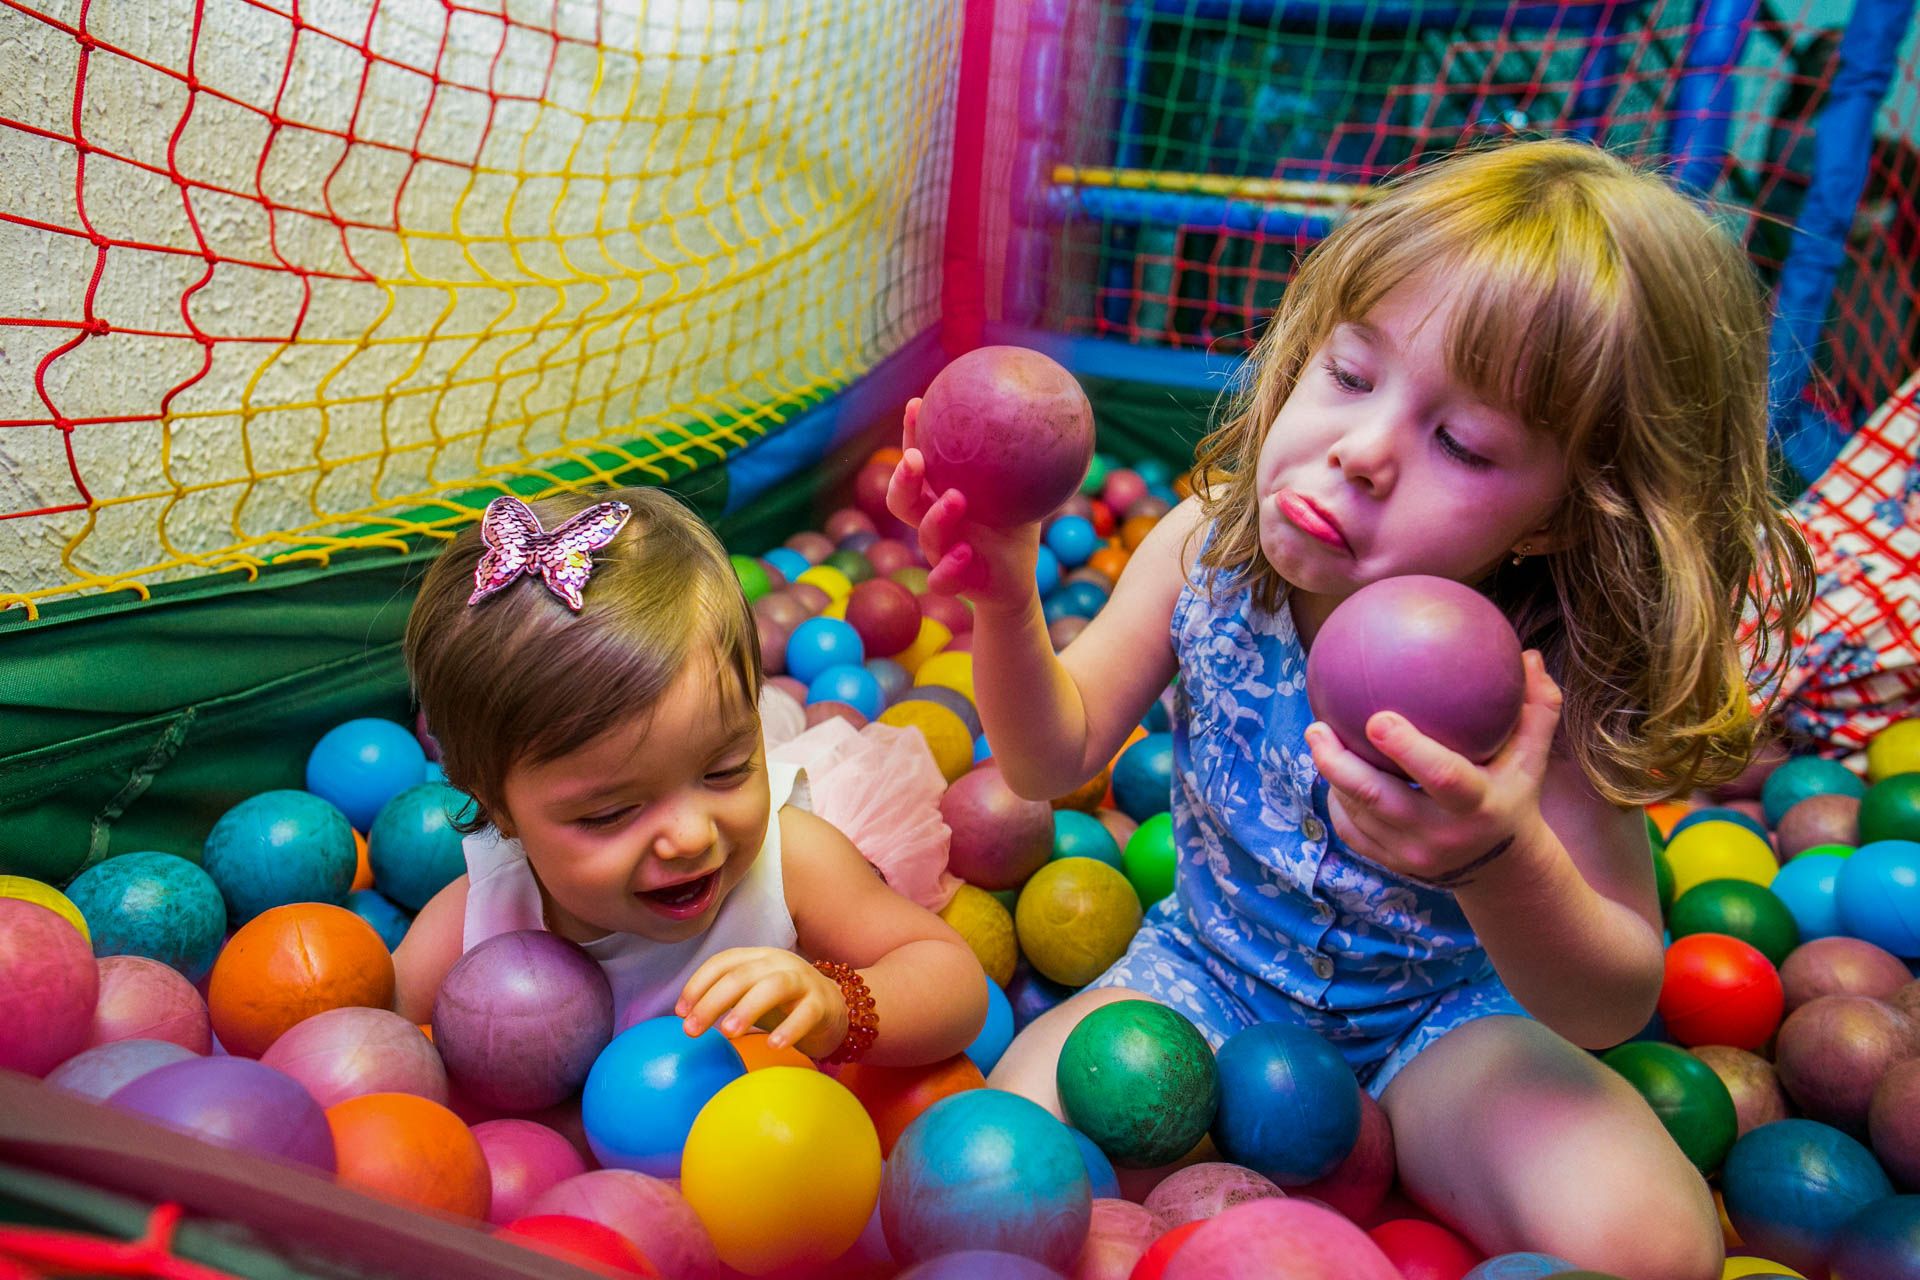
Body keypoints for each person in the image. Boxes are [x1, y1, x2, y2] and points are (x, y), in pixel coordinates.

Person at [887, 139, 1812, 1277]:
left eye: (1463, 443)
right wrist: (1006, 595)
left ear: (1557, 517)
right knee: (984, 1178)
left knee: (1653, 1243)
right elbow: (1049, 756)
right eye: (1351, 374)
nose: (1364, 452)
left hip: (1443, 1023)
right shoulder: (1202, 550)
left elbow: (1612, 998)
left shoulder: (1535, 678)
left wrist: (1498, 855)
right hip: (1198, 977)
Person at [392, 486, 987, 1068]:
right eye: (610, 813)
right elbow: (380, 1039)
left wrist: (836, 1007)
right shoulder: (483, 913)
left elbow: (954, 982)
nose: (693, 837)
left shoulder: (790, 865)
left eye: (726, 771)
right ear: (496, 806)